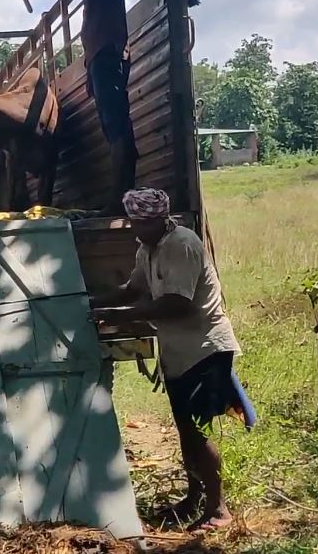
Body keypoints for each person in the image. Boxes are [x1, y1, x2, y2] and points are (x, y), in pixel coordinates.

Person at [94, 187, 256, 532]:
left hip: (204, 348)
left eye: (140, 223)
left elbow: (176, 304)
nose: (136, 230)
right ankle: (195, 498)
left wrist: (119, 316)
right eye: (133, 223)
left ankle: (218, 510)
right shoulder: (148, 247)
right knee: (185, 428)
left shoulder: (181, 244)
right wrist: (90, 301)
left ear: (156, 219)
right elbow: (133, 289)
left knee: (199, 430)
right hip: (179, 350)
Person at [78, 0, 139, 215]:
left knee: (116, 126)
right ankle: (121, 197)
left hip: (107, 50)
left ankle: (121, 199)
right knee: (111, 124)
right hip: (98, 54)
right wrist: (89, 63)